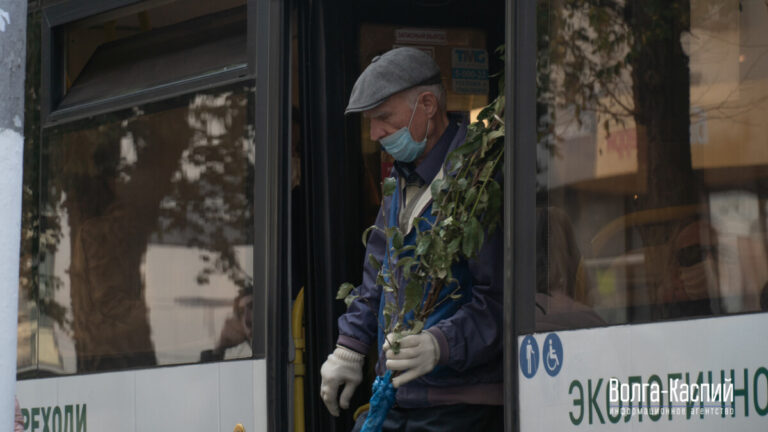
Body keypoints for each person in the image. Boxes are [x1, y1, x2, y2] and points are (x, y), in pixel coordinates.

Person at [319, 47, 503, 431]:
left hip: (459, 405)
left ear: (427, 105)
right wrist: (349, 347)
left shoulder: (480, 179)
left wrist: (441, 344)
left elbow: (500, 300)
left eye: (384, 118)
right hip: (399, 396)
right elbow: (378, 278)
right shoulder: (398, 183)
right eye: (371, 122)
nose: (375, 134)